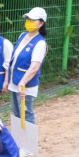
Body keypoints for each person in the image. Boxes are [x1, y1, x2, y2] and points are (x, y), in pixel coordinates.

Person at [6, 7, 47, 140]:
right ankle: (19, 141)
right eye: (28, 19)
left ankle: (28, 145)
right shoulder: (23, 35)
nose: (29, 21)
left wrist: (22, 83)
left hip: (25, 85)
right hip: (15, 82)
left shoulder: (40, 43)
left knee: (26, 112)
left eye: (32, 20)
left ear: (41, 23)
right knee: (17, 112)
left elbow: (34, 67)